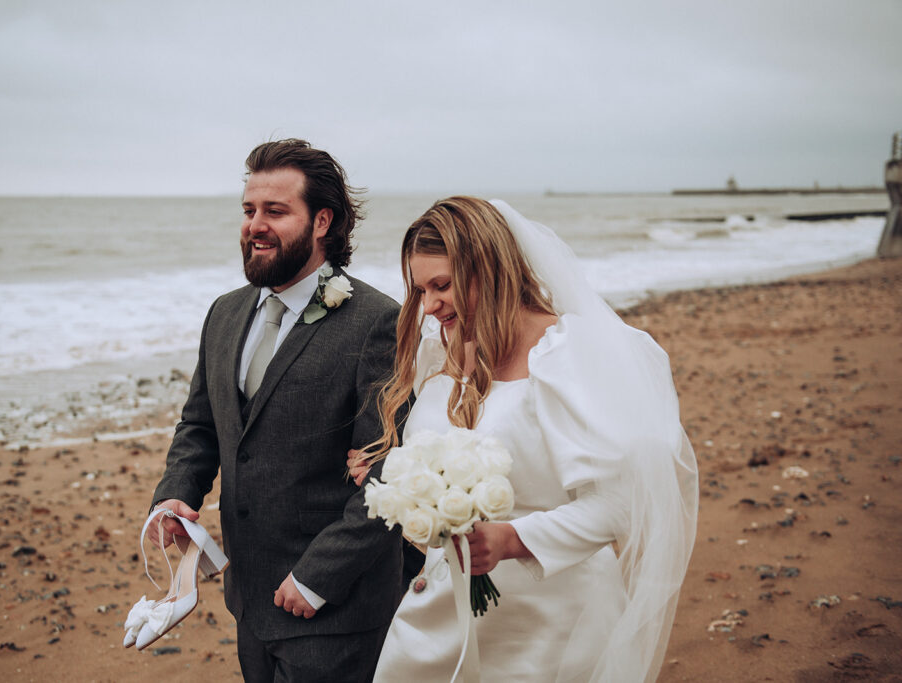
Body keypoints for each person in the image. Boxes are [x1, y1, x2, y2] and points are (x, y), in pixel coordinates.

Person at [363, 197, 699, 682]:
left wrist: (514, 538)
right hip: (443, 613)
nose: (430, 305)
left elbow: (621, 503)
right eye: (420, 289)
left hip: (552, 626)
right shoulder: (444, 353)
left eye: (443, 285)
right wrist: (398, 483)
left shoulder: (569, 354)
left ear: (491, 269)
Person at [147, 139, 407, 682]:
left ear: (322, 222)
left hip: (336, 610)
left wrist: (317, 579)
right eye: (248, 210)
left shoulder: (379, 322)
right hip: (250, 602)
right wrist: (177, 493)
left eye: (275, 211)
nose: (255, 225)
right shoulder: (224, 313)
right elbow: (200, 426)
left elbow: (390, 476)